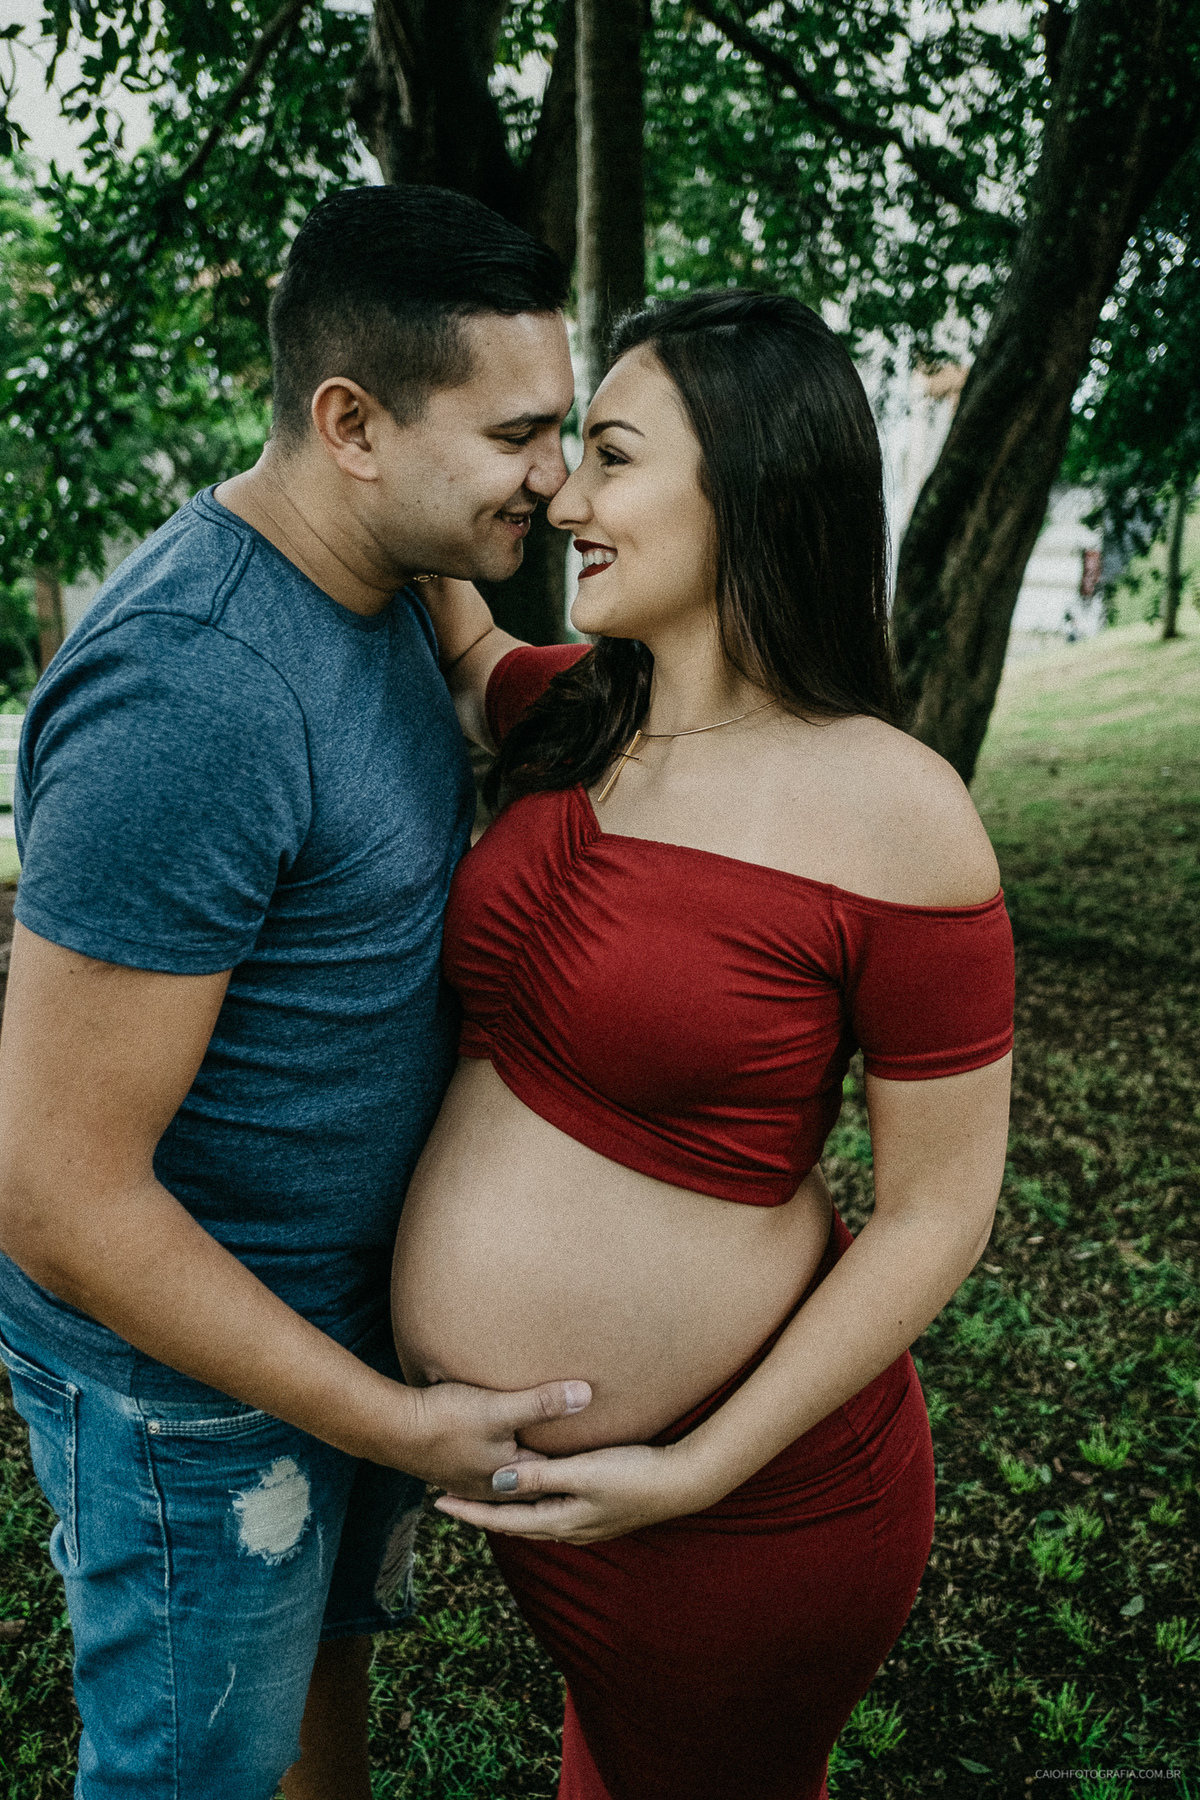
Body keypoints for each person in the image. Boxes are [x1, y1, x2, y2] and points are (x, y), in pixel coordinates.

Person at [0, 184, 594, 1800]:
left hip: (327, 1330)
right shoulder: (192, 692)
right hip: (180, 1386)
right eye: (521, 434)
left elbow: (481, 674)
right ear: (350, 422)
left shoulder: (396, 562)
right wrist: (397, 1426)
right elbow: (56, 1195)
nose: (556, 474)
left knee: (318, 1718)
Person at [392, 289, 1016, 1799]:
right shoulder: (578, 717)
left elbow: (942, 1210)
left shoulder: (898, 810)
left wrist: (692, 1470)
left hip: (749, 1515)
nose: (566, 498)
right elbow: (457, 618)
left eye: (608, 455)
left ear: (749, 487)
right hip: (565, 1513)